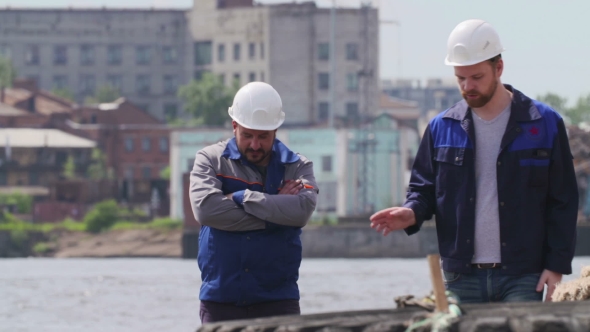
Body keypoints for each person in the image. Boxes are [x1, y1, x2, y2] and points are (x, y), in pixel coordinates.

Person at [370, 19, 578, 303]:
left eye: (477, 77)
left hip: (524, 274)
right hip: (460, 277)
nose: (468, 86)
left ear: (499, 68)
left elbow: (563, 200)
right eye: (460, 78)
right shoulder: (440, 128)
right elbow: (424, 191)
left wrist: (556, 266)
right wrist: (411, 213)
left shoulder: (544, 123)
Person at [189, 81, 318, 323]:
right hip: (220, 300)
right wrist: (277, 211)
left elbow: (300, 212)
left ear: (276, 131)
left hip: (278, 300)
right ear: (234, 126)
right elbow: (206, 211)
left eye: (263, 136)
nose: (255, 145)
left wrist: (240, 196)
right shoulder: (209, 160)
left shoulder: (298, 166)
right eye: (247, 135)